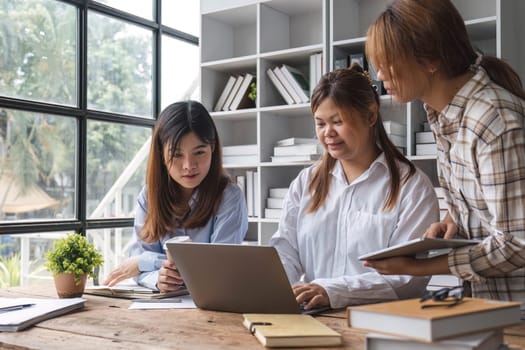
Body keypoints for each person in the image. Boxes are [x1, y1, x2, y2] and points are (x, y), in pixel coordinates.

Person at [364, 0, 525, 302]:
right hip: (489, 304)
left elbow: (518, 242)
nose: (379, 75)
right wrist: (454, 219)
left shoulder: (492, 121)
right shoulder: (445, 115)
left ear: (430, 60)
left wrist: (422, 268)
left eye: (388, 62)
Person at [269, 64, 439, 310]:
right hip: (310, 315)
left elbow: (408, 279)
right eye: (320, 123)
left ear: (370, 116)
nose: (328, 133)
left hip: (380, 321)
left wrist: (331, 291)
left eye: (337, 121)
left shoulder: (412, 187)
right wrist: (284, 290)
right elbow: (285, 250)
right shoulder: (306, 183)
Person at [103, 100, 248, 291]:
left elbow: (217, 269)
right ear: (161, 154)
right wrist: (158, 278)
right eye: (177, 155)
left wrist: (143, 262)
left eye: (199, 152)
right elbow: (139, 271)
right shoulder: (149, 195)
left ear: (212, 148)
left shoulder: (229, 197)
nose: (189, 165)